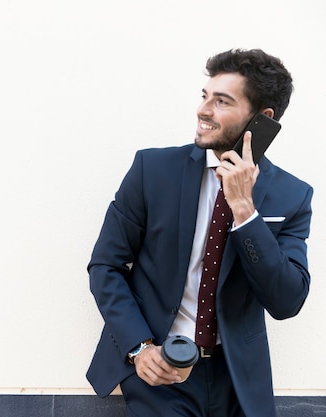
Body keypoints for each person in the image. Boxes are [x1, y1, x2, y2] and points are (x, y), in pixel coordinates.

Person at [86, 49, 313, 417]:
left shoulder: (293, 195)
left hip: (239, 377)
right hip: (160, 368)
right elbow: (105, 266)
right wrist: (139, 348)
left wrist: (245, 211)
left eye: (222, 101)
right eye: (205, 96)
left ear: (262, 119)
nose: (203, 110)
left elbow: (287, 301)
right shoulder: (152, 170)